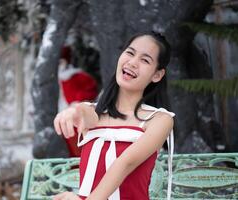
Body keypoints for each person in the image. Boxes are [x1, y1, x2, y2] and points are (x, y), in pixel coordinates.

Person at [53, 31, 175, 200]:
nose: (133, 62)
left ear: (157, 75)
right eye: (130, 53)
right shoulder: (95, 113)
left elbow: (126, 162)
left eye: (145, 60)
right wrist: (73, 111)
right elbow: (86, 114)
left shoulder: (160, 119)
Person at [58, 46, 99, 157]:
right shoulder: (57, 79)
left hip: (78, 115)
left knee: (81, 146)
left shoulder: (78, 76)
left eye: (61, 61)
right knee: (70, 147)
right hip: (63, 118)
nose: (59, 65)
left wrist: (77, 102)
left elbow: (91, 89)